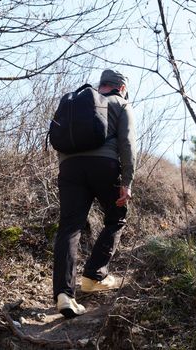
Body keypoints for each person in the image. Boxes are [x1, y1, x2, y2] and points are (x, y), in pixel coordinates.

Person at [53, 69, 137, 318]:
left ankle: (64, 295)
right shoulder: (121, 103)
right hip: (104, 165)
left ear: (102, 85)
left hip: (68, 167)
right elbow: (128, 143)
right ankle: (93, 276)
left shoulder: (76, 101)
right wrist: (127, 181)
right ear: (121, 88)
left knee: (70, 227)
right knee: (117, 215)